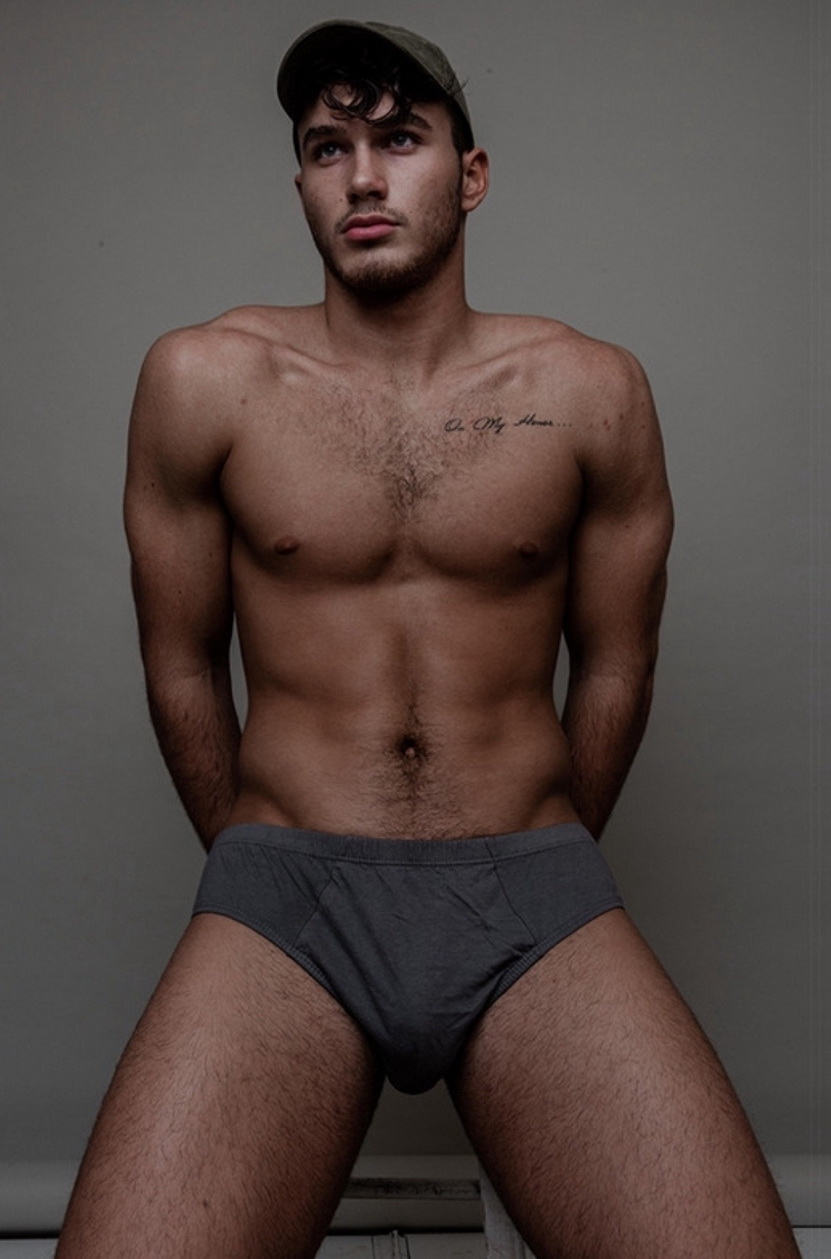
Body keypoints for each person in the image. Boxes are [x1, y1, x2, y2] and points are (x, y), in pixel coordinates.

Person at [56, 20, 799, 1259]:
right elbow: (179, 663)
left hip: (530, 888)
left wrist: (539, 857)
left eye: (399, 138)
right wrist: (257, 864)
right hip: (287, 891)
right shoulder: (203, 381)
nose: (361, 176)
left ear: (472, 173)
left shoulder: (592, 390)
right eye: (326, 147)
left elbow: (618, 662)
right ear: (301, 181)